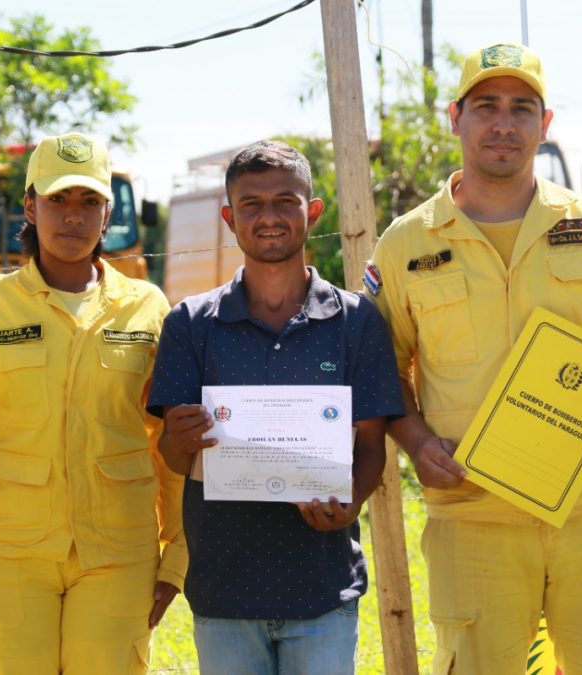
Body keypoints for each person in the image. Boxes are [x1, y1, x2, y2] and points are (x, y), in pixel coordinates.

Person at [368, 43, 582, 674]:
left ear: (545, 123)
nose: (504, 124)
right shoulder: (406, 243)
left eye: (521, 108)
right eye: (486, 107)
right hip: (474, 512)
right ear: (455, 118)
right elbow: (382, 370)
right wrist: (419, 442)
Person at [0, 132, 186, 674]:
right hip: (9, 549)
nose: (73, 216)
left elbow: (167, 440)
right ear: (30, 206)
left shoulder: (147, 307)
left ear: (109, 212)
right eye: (57, 200)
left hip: (120, 549)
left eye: (89, 201)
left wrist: (177, 554)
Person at [146, 140, 403, 674]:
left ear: (312, 211)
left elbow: (373, 448)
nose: (269, 217)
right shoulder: (190, 325)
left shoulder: (356, 322)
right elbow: (172, 455)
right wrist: (182, 437)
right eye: (251, 204)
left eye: (285, 201)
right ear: (229, 218)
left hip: (323, 590)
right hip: (225, 593)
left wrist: (348, 505)